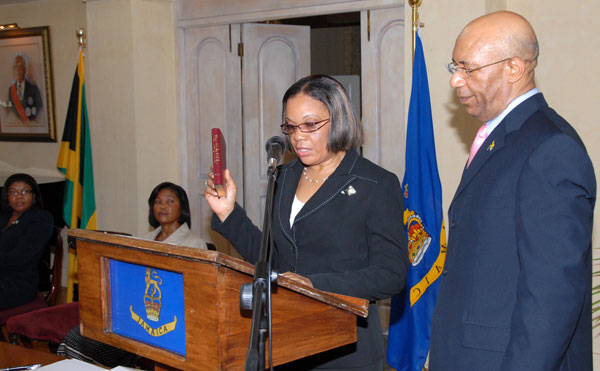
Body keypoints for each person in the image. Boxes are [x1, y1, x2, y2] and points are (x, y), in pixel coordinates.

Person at [205, 74, 408, 370]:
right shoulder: (284, 176)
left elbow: (391, 274)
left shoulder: (375, 183)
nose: (298, 136)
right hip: (287, 339)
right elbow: (273, 260)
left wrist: (314, 285)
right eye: (290, 126)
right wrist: (228, 213)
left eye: (310, 125)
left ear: (338, 119)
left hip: (345, 347)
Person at [430, 11, 596, 371]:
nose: (456, 80)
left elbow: (551, 296)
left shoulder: (550, 148)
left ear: (514, 69)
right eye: (454, 67)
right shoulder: (500, 137)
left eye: (468, 68)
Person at [0, 173, 53, 310]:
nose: (19, 196)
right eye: (14, 192)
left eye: (24, 191)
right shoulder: (3, 218)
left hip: (17, 283)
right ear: (8, 196)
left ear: (34, 195)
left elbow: (20, 257)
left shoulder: (41, 219)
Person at [142, 181, 207, 249]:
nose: (162, 206)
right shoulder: (144, 240)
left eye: (170, 201)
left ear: (182, 207)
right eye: (158, 202)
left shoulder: (194, 244)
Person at [7, 53, 43, 123]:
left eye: (20, 66)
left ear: (24, 68)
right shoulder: (10, 90)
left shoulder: (34, 89)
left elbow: (40, 111)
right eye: (15, 66)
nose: (17, 69)